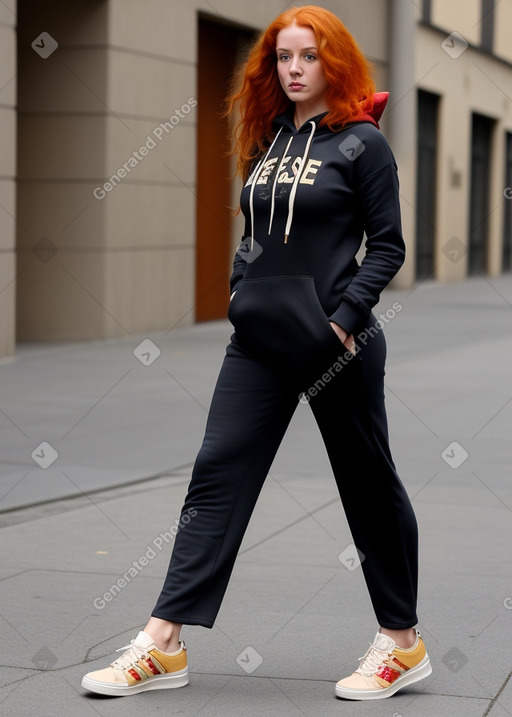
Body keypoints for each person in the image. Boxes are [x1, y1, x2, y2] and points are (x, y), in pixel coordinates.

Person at [82, 5, 432, 702]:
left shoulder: (363, 145)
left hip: (337, 345)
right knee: (217, 472)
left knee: (368, 485)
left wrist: (341, 320)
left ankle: (402, 644)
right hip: (259, 342)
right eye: (283, 57)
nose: (294, 69)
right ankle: (163, 642)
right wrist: (244, 291)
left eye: (308, 57)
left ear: (334, 64)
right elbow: (254, 234)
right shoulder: (270, 140)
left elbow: (388, 246)